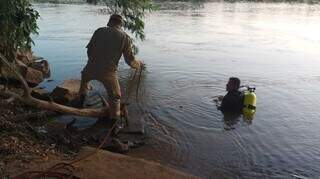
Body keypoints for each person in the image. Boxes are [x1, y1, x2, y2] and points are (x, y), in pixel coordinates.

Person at [79, 14, 143, 121]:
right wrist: (139, 65)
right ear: (121, 24)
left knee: (84, 82)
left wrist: (93, 61)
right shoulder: (124, 37)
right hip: (108, 74)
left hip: (89, 69)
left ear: (109, 22)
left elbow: (89, 50)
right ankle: (114, 121)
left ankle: (81, 103)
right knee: (116, 97)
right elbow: (129, 61)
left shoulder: (98, 31)